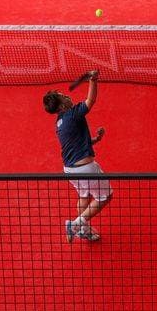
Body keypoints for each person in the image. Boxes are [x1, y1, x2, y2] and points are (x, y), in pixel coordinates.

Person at [43, 71, 110, 242]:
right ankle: (75, 225)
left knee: (84, 196)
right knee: (105, 197)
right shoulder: (72, 113)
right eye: (63, 97)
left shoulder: (59, 123)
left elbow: (75, 144)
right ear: (61, 107)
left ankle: (84, 230)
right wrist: (93, 80)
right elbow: (90, 101)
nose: (67, 96)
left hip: (70, 170)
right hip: (86, 169)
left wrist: (95, 140)